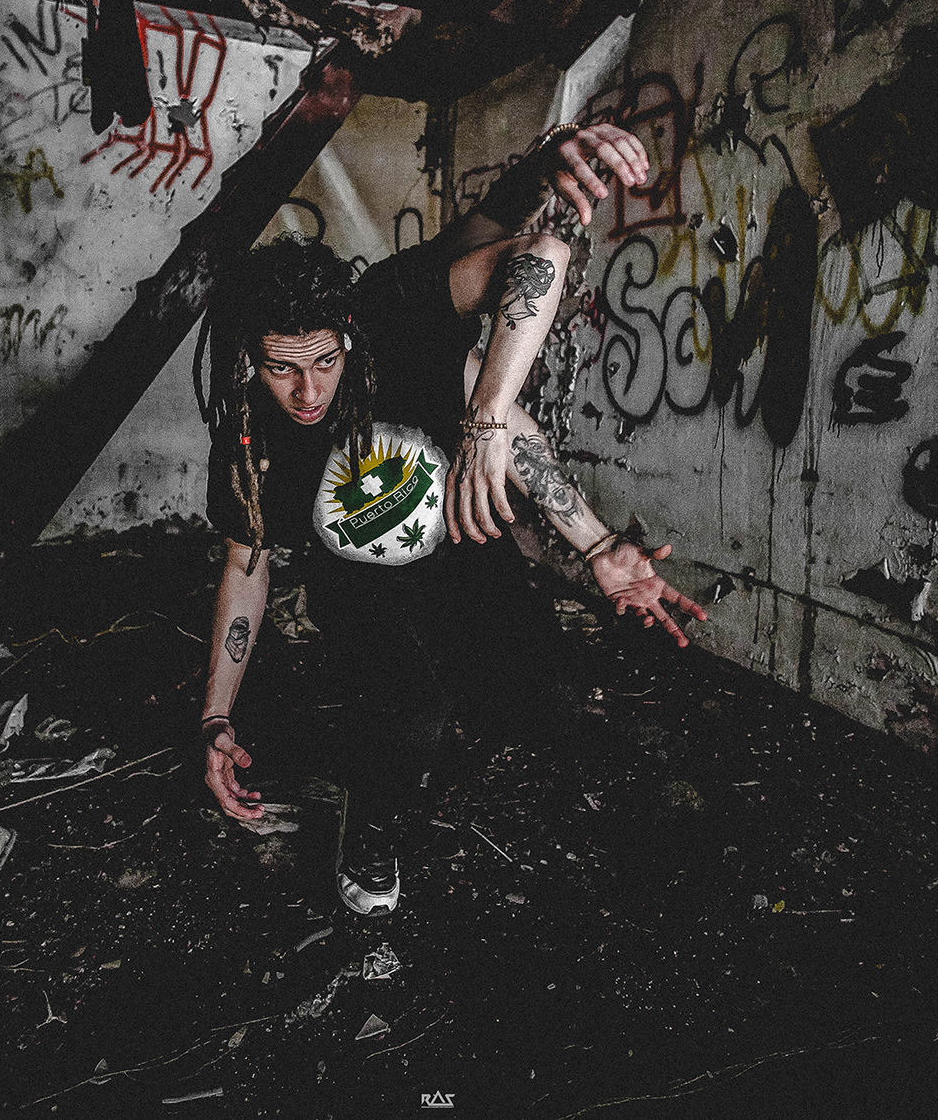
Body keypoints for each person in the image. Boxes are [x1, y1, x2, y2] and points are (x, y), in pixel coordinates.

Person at [197, 118, 707, 914]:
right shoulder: (249, 435)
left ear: (347, 334)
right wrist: (215, 716)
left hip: (465, 548)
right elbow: (245, 565)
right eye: (280, 370)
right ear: (250, 360)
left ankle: (428, 745)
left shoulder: (389, 311)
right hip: (359, 580)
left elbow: (539, 253)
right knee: (410, 715)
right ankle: (371, 815)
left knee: (548, 702)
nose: (308, 392)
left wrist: (502, 437)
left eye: (324, 362)